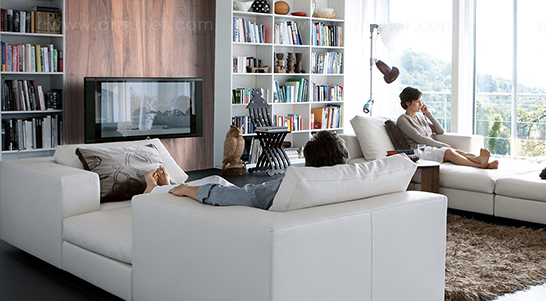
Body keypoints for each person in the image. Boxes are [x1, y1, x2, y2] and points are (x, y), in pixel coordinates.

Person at [144, 130, 349, 209]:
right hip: (252, 202)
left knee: (207, 187)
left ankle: (155, 191)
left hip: (242, 211)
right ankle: (169, 187)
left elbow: (247, 197)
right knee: (217, 180)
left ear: (307, 164)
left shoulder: (295, 185)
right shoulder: (348, 185)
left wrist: (187, 189)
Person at [396, 87, 499, 169]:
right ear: (408, 103)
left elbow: (440, 130)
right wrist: (444, 145)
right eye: (418, 101)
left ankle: (481, 160)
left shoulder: (421, 118)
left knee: (458, 151)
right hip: (419, 151)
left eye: (421, 101)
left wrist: (427, 114)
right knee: (449, 152)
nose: (421, 104)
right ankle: (481, 165)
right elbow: (419, 139)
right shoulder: (403, 119)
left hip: (431, 148)